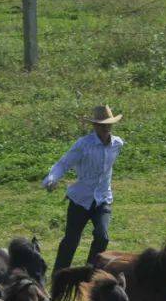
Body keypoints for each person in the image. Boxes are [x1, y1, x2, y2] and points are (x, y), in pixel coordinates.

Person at [41, 105, 124, 273]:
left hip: (102, 199)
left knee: (102, 237)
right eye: (102, 125)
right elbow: (64, 163)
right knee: (71, 241)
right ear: (94, 126)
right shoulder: (83, 145)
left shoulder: (117, 144)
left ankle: (89, 273)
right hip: (80, 200)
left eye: (108, 124)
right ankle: (59, 276)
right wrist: (51, 179)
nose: (106, 128)